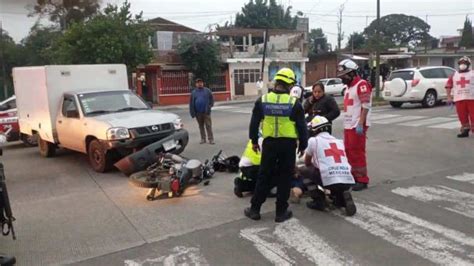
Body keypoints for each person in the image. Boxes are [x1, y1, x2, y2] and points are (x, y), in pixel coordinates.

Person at [244, 67, 308, 223]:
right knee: (285, 177)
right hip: (288, 145)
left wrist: (253, 141)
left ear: (277, 82)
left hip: (270, 144)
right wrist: (303, 145)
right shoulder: (294, 103)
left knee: (264, 176)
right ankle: (280, 212)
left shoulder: (263, 100)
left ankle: (255, 210)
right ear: (290, 85)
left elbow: (254, 124)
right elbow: (302, 127)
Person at [303, 116, 356, 216]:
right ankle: (342, 199)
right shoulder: (339, 142)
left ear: (314, 130)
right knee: (336, 182)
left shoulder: (313, 141)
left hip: (329, 180)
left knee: (304, 171)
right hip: (347, 180)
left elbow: (307, 163)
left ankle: (319, 201)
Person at [338, 59, 372, 191]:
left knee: (357, 152)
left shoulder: (361, 85)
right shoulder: (349, 87)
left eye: (344, 76)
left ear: (352, 73)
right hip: (349, 124)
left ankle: (362, 179)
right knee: (348, 151)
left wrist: (361, 123)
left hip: (357, 125)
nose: (342, 79)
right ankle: (353, 176)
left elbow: (366, 105)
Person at [445, 56, 474, 138]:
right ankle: (465, 129)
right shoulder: (454, 75)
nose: (462, 65)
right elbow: (448, 86)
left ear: (468, 65)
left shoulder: (472, 73)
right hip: (459, 99)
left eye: (464, 63)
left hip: (472, 98)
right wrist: (449, 97)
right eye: (461, 63)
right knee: (462, 116)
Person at [189, 78, 215, 144]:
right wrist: (192, 112)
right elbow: (191, 103)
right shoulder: (194, 92)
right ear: (196, 84)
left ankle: (211, 139)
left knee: (208, 126)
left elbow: (212, 99)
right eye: (198, 83)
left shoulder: (207, 91)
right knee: (201, 126)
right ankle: (203, 139)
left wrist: (210, 106)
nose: (200, 84)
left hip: (206, 112)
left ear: (203, 83)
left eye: (201, 82)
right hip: (198, 113)